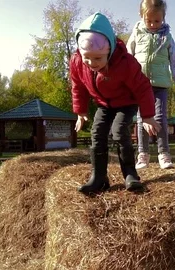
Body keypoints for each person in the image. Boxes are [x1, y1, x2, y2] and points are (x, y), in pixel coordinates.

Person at [71, 12, 161, 195]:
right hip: (104, 104)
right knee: (97, 133)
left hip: (126, 103)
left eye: (98, 58)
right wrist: (80, 111)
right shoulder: (78, 62)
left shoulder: (125, 63)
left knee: (119, 130)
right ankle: (99, 178)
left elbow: (143, 87)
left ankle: (130, 174)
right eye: (87, 57)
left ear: (109, 50)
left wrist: (147, 116)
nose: (91, 63)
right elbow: (77, 85)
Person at [127, 0, 175, 170]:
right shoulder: (137, 34)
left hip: (160, 86)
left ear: (164, 18)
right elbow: (127, 57)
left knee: (160, 118)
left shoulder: (167, 37)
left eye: (157, 21)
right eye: (149, 21)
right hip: (140, 85)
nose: (153, 25)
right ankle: (143, 154)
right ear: (142, 17)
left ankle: (163, 154)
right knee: (141, 119)